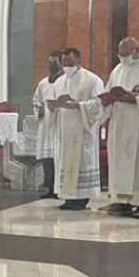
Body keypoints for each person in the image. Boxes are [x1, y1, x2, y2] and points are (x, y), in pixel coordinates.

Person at [86, 37, 139, 217]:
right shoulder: (118, 70)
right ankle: (121, 201)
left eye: (125, 54)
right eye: (119, 54)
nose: (122, 58)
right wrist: (107, 100)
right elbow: (108, 92)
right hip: (120, 124)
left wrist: (134, 99)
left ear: (136, 51)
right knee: (119, 163)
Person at [48, 47, 105, 211]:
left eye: (69, 61)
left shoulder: (92, 80)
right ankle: (68, 197)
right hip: (64, 131)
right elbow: (54, 104)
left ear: (78, 60)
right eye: (64, 62)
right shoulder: (59, 82)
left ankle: (81, 199)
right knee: (66, 163)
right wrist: (52, 107)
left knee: (81, 163)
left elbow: (98, 104)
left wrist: (79, 105)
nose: (66, 65)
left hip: (82, 130)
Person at [34, 51, 65, 199]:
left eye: (55, 62)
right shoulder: (43, 83)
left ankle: (60, 188)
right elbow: (36, 100)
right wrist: (38, 108)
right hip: (46, 126)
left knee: (58, 157)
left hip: (59, 124)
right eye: (50, 62)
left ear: (61, 64)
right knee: (47, 158)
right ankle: (50, 188)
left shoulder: (65, 81)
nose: (52, 66)